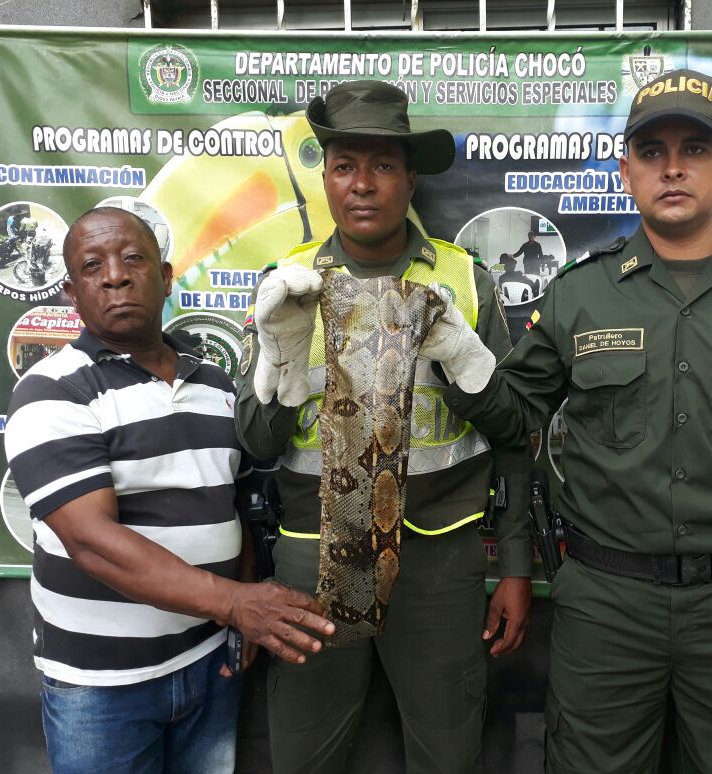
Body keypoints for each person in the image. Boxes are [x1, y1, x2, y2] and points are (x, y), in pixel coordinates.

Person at [437, 69, 712, 773]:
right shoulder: (579, 297)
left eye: (695, 148)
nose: (673, 167)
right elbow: (513, 416)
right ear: (626, 171)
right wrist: (456, 356)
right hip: (607, 606)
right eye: (651, 151)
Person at [235, 80, 533, 774]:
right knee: (305, 752)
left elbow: (517, 434)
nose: (362, 185)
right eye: (345, 166)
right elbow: (255, 442)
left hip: (440, 559)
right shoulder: (287, 283)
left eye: (383, 166)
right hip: (314, 556)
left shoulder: (464, 280)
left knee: (447, 749)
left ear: (410, 178)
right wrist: (279, 357)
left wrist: (515, 567)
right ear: (326, 178)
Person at [4, 206, 334, 774]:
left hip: (210, 665)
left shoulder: (214, 383)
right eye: (92, 266)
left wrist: (240, 609)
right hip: (104, 689)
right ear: (71, 292)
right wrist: (237, 604)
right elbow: (92, 542)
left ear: (167, 275)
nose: (115, 275)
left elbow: (231, 505)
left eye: (133, 258)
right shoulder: (52, 391)